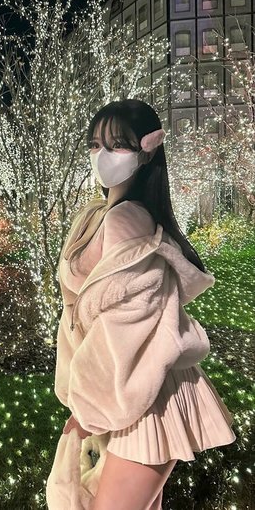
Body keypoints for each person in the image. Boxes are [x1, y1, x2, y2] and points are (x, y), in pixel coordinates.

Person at [46, 99, 237, 510]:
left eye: (117, 144)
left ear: (147, 151)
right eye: (95, 144)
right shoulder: (99, 215)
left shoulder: (127, 219)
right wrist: (84, 399)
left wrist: (86, 411)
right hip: (125, 387)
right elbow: (80, 316)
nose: (103, 155)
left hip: (143, 390)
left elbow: (124, 328)